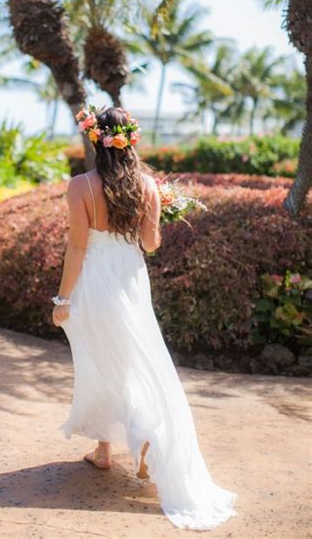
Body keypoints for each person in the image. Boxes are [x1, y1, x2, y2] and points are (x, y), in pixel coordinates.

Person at [51, 105, 238, 531]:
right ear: (131, 141)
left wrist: (62, 298)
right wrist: (156, 212)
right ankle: (116, 449)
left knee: (101, 361)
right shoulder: (148, 186)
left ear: (97, 140)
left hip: (95, 282)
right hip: (132, 282)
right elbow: (151, 245)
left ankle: (128, 443)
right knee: (135, 361)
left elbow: (77, 249)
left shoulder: (80, 185)